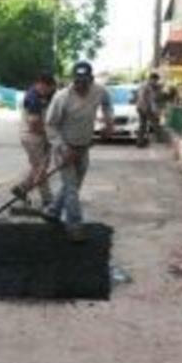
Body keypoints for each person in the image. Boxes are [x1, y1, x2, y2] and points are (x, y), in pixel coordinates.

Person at [44, 61, 114, 242]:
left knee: (72, 186)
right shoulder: (62, 97)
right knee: (72, 189)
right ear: (73, 80)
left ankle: (53, 211)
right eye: (78, 81)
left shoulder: (98, 91)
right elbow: (50, 125)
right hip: (64, 148)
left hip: (83, 147)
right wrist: (62, 148)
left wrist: (108, 121)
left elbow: (107, 103)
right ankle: (74, 226)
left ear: (91, 79)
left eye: (85, 81)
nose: (81, 85)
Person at [12, 72, 57, 209]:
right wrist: (48, 133)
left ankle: (22, 188)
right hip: (32, 137)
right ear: (40, 84)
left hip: (39, 136)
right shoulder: (33, 98)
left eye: (50, 90)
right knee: (40, 169)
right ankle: (48, 200)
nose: (48, 92)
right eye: (47, 88)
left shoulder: (46, 94)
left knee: (40, 166)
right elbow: (34, 124)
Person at [136, 72, 162, 146]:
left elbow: (152, 99)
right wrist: (145, 108)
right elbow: (142, 97)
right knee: (150, 123)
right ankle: (142, 141)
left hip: (144, 107)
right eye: (155, 80)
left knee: (144, 125)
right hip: (144, 108)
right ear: (151, 79)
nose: (156, 82)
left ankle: (141, 141)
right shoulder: (145, 86)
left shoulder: (149, 86)